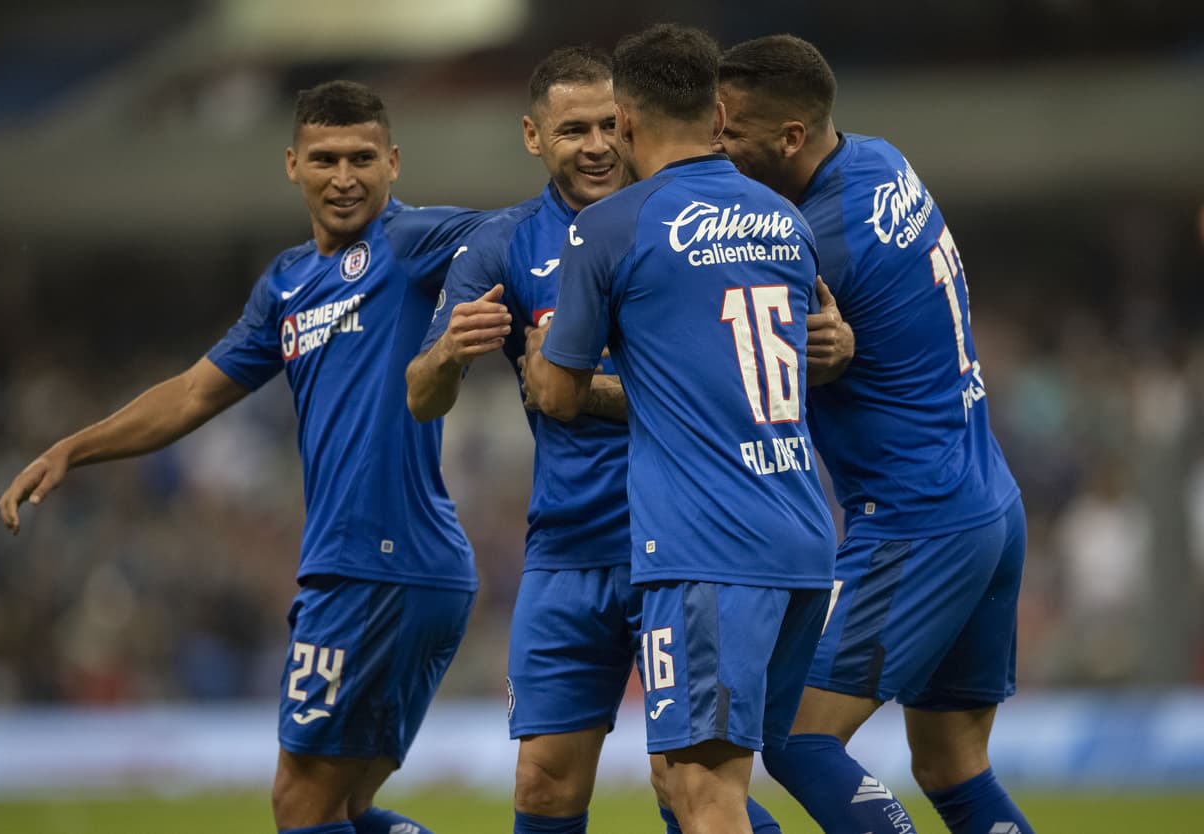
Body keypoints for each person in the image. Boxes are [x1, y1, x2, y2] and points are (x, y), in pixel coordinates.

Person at [0, 81, 493, 834]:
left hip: (379, 566)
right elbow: (195, 394)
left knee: (301, 805)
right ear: (292, 165)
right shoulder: (288, 284)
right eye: (325, 158)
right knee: (341, 807)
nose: (345, 176)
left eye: (363, 157)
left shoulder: (411, 241)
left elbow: (523, 235)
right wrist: (76, 447)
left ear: (394, 162)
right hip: (384, 568)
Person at [406, 45, 808, 834]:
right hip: (569, 547)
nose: (594, 144)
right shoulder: (502, 247)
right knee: (545, 781)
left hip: (685, 542)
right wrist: (449, 354)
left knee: (683, 779)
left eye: (605, 125)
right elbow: (422, 399)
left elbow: (746, 375)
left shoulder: (687, 225)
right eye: (571, 129)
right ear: (532, 136)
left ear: (630, 125)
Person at [715, 34, 1035, 834]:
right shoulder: (880, 161)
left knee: (792, 733)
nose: (716, 145)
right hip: (990, 503)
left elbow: (739, 383)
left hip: (914, 520)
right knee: (952, 765)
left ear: (791, 137)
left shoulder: (809, 242)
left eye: (730, 130)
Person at [522, 24, 836, 834]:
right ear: (720, 109)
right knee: (700, 780)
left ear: (624, 121)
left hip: (707, 550)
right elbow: (810, 353)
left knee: (702, 794)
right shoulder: (784, 220)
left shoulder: (612, 227)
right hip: (801, 536)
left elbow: (555, 394)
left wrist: (544, 362)